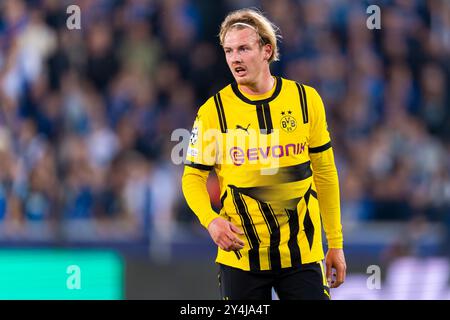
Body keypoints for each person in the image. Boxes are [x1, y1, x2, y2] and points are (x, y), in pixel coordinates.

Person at [182, 8, 346, 300]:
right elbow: (192, 177)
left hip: (302, 255)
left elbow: (325, 174)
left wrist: (335, 243)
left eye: (244, 48)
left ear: (266, 51)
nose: (235, 58)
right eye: (229, 50)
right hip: (242, 256)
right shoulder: (212, 112)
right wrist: (211, 220)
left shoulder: (306, 101)